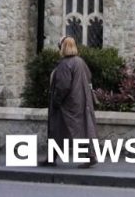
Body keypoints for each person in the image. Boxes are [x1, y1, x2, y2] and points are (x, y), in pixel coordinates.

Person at [39, 36, 98, 168]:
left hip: (67, 105)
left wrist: (56, 101)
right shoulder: (80, 62)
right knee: (79, 130)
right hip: (81, 101)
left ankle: (89, 156)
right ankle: (53, 157)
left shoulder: (64, 65)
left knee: (58, 129)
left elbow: (63, 86)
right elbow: (88, 77)